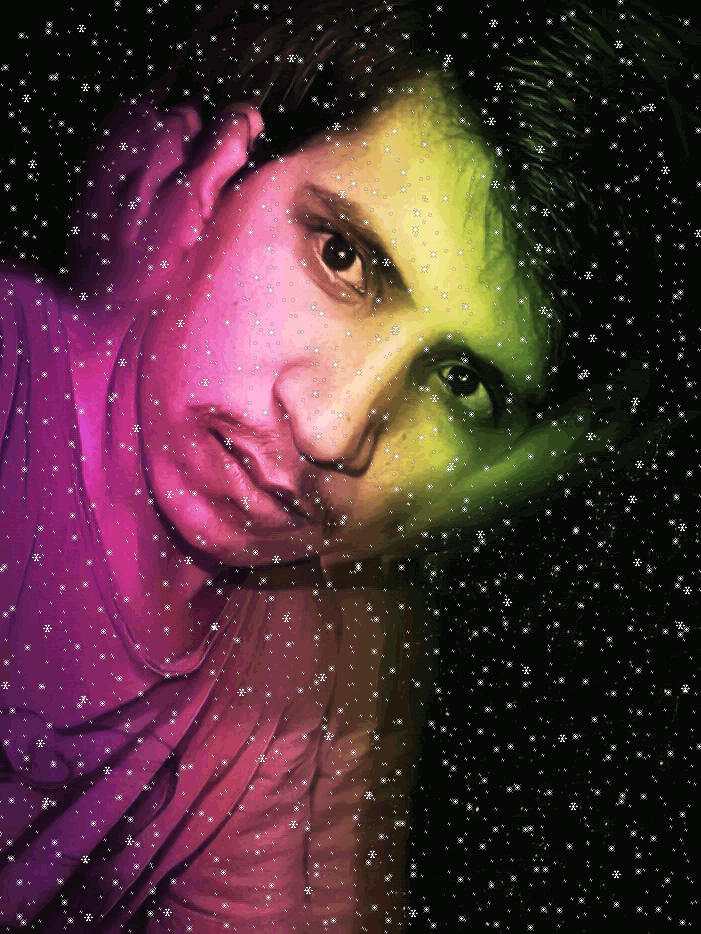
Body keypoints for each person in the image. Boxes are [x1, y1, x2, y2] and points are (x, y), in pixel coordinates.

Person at [1, 0, 697, 930]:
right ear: (209, 176)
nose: (333, 430)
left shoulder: (307, 664)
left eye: (461, 383)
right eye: (345, 258)